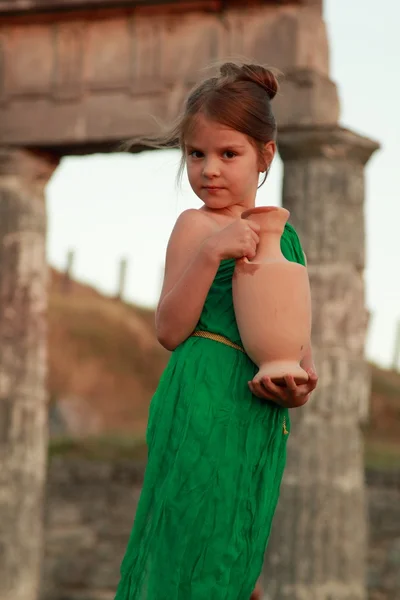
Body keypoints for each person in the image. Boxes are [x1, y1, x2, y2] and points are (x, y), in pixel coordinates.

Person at [115, 62, 318, 600]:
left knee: (236, 545)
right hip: (202, 395)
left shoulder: (288, 242)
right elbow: (168, 330)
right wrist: (211, 254)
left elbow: (303, 357)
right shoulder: (196, 227)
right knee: (187, 537)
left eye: (228, 154)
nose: (209, 170)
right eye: (196, 154)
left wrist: (295, 389)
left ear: (264, 156)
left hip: (258, 413)